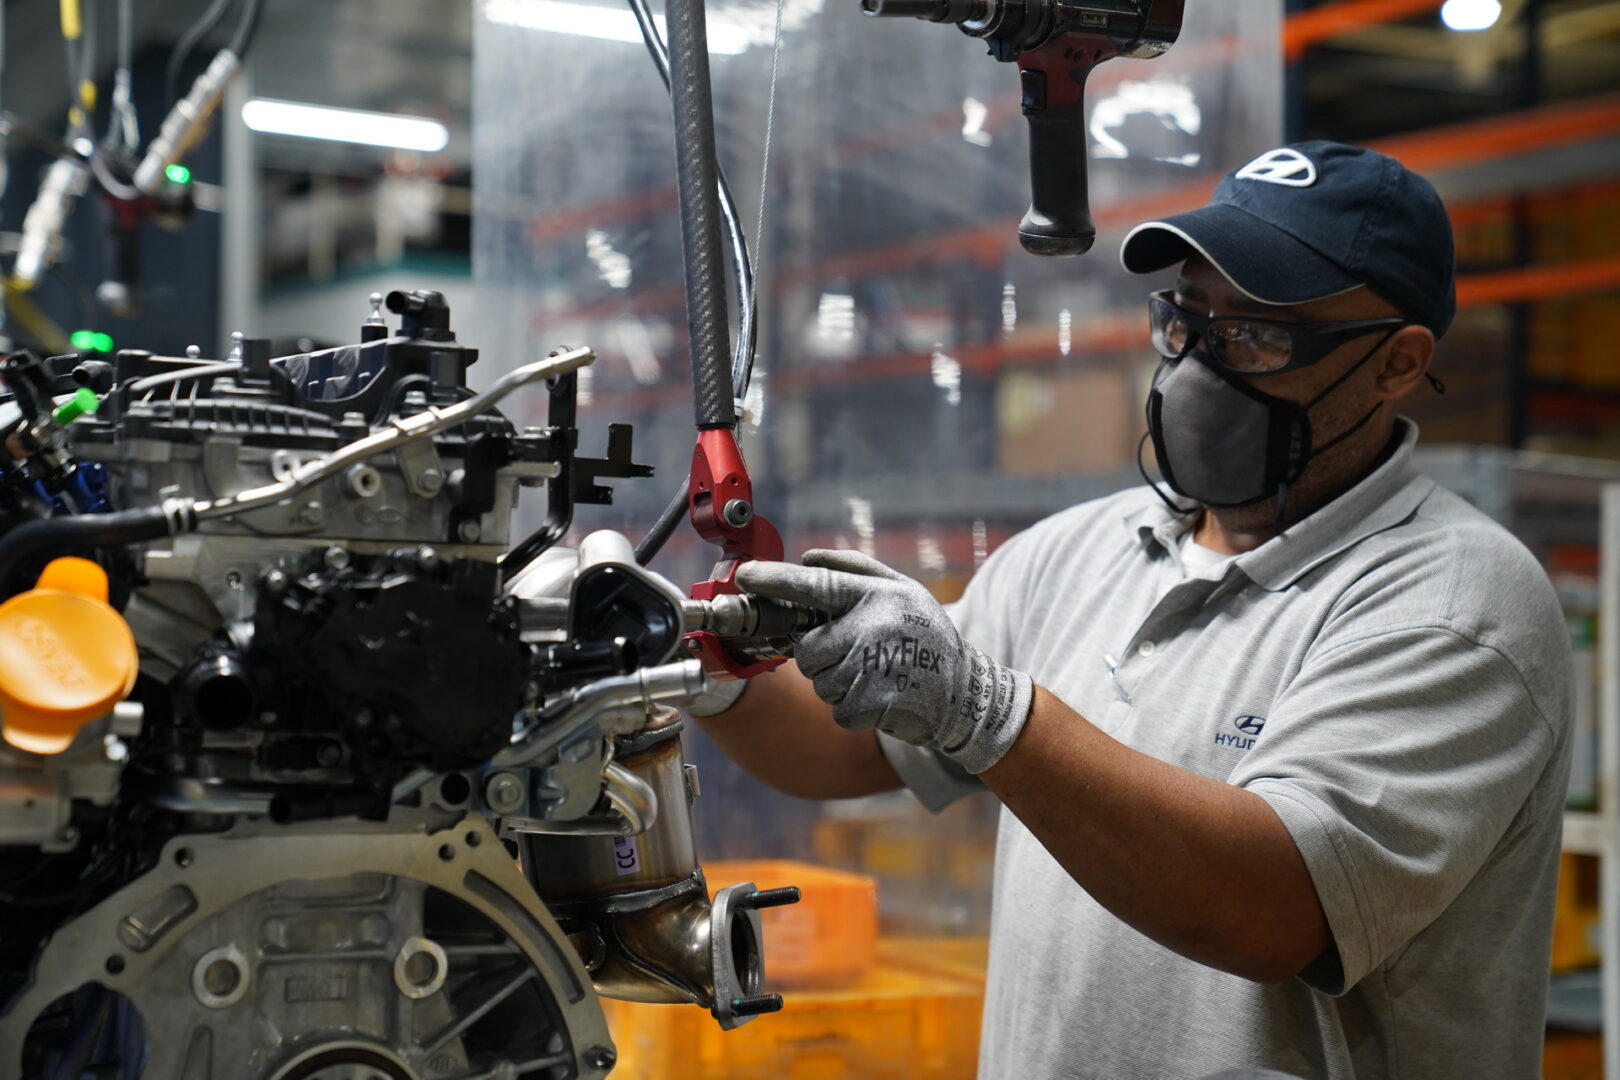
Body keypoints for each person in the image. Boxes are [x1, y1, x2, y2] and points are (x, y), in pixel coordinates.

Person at [689, 142, 1573, 1079]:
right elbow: (846, 747)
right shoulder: (1078, 552)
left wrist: (986, 711)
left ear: (1398, 362)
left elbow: (1272, 909)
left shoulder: (1455, 604)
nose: (1200, 369)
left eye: (1258, 336)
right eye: (1186, 320)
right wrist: (693, 659)